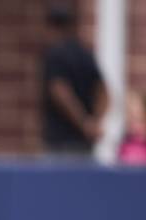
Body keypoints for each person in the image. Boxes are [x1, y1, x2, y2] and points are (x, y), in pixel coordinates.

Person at [40, 3, 107, 156]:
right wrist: (95, 122)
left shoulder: (54, 54)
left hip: (59, 142)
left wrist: (84, 122)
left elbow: (59, 90)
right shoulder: (85, 53)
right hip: (85, 143)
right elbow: (104, 92)